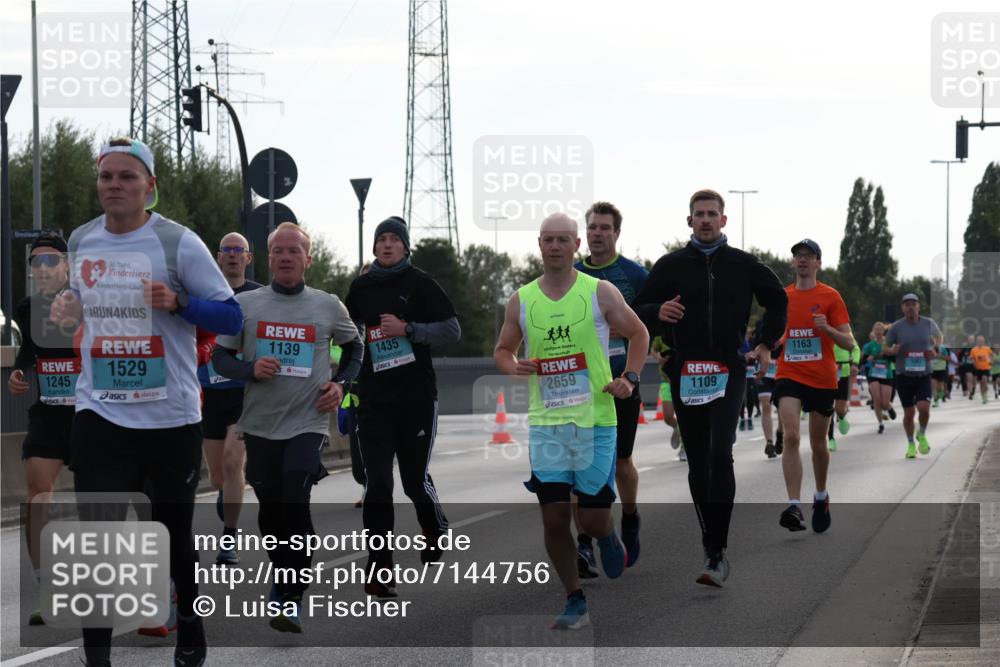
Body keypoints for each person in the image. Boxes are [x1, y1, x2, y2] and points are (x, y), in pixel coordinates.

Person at [50, 137, 242, 667]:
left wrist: (181, 302)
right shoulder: (83, 240)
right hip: (100, 411)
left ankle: (190, 628)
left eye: (126, 177)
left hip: (170, 416)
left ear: (149, 187)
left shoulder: (179, 244)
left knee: (174, 538)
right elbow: (80, 311)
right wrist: (70, 311)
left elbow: (232, 320)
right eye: (106, 176)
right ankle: (98, 660)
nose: (114, 185)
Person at [494, 212, 648, 629]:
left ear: (576, 246)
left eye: (565, 239)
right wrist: (512, 365)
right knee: (555, 517)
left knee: (592, 520)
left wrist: (629, 379)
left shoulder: (599, 292)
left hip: (596, 420)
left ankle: (609, 534)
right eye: (550, 239)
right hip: (547, 423)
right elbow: (503, 348)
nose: (557, 246)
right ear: (539, 244)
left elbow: (639, 334)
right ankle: (573, 599)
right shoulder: (522, 299)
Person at [213, 222, 363, 633]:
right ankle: (282, 574)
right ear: (268, 257)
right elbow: (219, 360)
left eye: (293, 251)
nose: (285, 257)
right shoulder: (245, 306)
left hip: (308, 421)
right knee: (272, 514)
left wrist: (341, 384)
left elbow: (355, 346)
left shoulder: (328, 305)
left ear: (307, 259)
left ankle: (289, 593)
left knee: (295, 497)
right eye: (277, 250)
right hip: (260, 423)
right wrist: (250, 369)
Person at [633, 189, 787, 587]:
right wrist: (657, 312)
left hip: (729, 368)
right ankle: (710, 542)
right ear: (689, 221)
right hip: (686, 370)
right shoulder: (670, 265)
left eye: (711, 214)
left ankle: (718, 549)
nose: (705, 220)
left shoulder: (743, 264)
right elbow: (636, 310)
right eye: (698, 214)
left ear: (723, 220)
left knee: (721, 453)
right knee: (699, 460)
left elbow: (778, 302)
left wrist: (766, 342)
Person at [344, 216, 461, 597]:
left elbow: (451, 330)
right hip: (374, 400)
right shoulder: (360, 288)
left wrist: (409, 329)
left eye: (395, 239)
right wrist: (344, 379)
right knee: (378, 484)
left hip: (415, 399)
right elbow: (347, 336)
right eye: (382, 239)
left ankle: (434, 526)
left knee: (413, 481)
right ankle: (380, 570)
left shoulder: (421, 284)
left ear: (406, 247)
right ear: (375, 248)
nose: (388, 244)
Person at [573, 201, 649, 574]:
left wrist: (627, 325)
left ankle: (630, 516)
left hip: (621, 384)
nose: (598, 233)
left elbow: (652, 320)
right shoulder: (570, 274)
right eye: (592, 228)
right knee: (579, 466)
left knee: (620, 462)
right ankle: (584, 544)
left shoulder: (634, 275)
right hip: (579, 387)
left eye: (605, 228)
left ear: (617, 234)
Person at [7, 234, 77, 626]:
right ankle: (46, 587)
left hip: (91, 417)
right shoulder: (28, 308)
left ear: (67, 266)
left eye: (52, 260)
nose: (44, 268)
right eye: (37, 262)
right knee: (36, 495)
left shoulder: (90, 305)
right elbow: (26, 357)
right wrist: (18, 375)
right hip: (49, 415)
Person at [773, 239, 854, 534]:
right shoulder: (783, 297)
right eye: (798, 256)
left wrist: (826, 329)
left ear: (819, 263)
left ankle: (820, 496)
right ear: (793, 263)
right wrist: (774, 342)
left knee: (819, 445)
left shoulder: (831, 297)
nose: (803, 260)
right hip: (789, 375)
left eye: (809, 256)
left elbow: (848, 342)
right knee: (792, 435)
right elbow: (776, 334)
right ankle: (794, 504)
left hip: (822, 379)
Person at [197, 232, 263, 566]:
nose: (234, 256)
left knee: (234, 461)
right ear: (218, 257)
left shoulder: (259, 296)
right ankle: (228, 495)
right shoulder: (204, 293)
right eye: (228, 250)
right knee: (217, 476)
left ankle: (229, 539)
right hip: (208, 392)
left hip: (244, 394)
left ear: (248, 258)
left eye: (240, 251)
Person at [883, 294, 943, 458]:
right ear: (902, 308)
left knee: (924, 409)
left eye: (913, 304)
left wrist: (935, 349)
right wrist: (891, 351)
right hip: (904, 375)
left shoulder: (928, 323)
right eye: (907, 304)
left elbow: (939, 336)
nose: (910, 307)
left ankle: (921, 433)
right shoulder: (896, 327)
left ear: (918, 307)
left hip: (924, 374)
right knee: (909, 414)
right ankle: (910, 444)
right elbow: (885, 346)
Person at [861, 323, 896, 434]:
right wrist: (868, 359)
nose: (878, 331)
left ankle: (889, 408)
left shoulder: (889, 344)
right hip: (873, 374)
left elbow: (895, 358)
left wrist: (886, 354)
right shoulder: (869, 345)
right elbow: (862, 360)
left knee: (885, 403)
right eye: (876, 329)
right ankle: (880, 424)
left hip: (887, 374)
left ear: (884, 331)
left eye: (880, 329)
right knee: (876, 399)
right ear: (873, 331)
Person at [827, 341, 860, 451]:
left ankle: (841, 416)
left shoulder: (844, 331)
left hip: (843, 372)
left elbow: (855, 349)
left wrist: (855, 364)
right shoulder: (821, 330)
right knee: (828, 409)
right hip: (826, 371)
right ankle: (831, 439)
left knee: (839, 409)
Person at [969, 335, 995, 404]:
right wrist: (973, 362)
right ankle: (983, 397)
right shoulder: (973, 350)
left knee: (984, 380)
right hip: (978, 368)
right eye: (978, 340)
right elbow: (971, 358)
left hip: (986, 367)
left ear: (983, 341)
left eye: (981, 340)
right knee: (981, 383)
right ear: (976, 341)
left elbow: (992, 355)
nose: (980, 342)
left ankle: (985, 394)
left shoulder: (987, 349)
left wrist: (991, 362)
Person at [930, 342, 951, 407]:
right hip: (933, 370)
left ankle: (941, 394)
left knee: (940, 387)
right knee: (933, 386)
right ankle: (936, 402)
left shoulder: (943, 348)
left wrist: (940, 356)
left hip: (941, 370)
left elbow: (948, 358)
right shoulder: (929, 348)